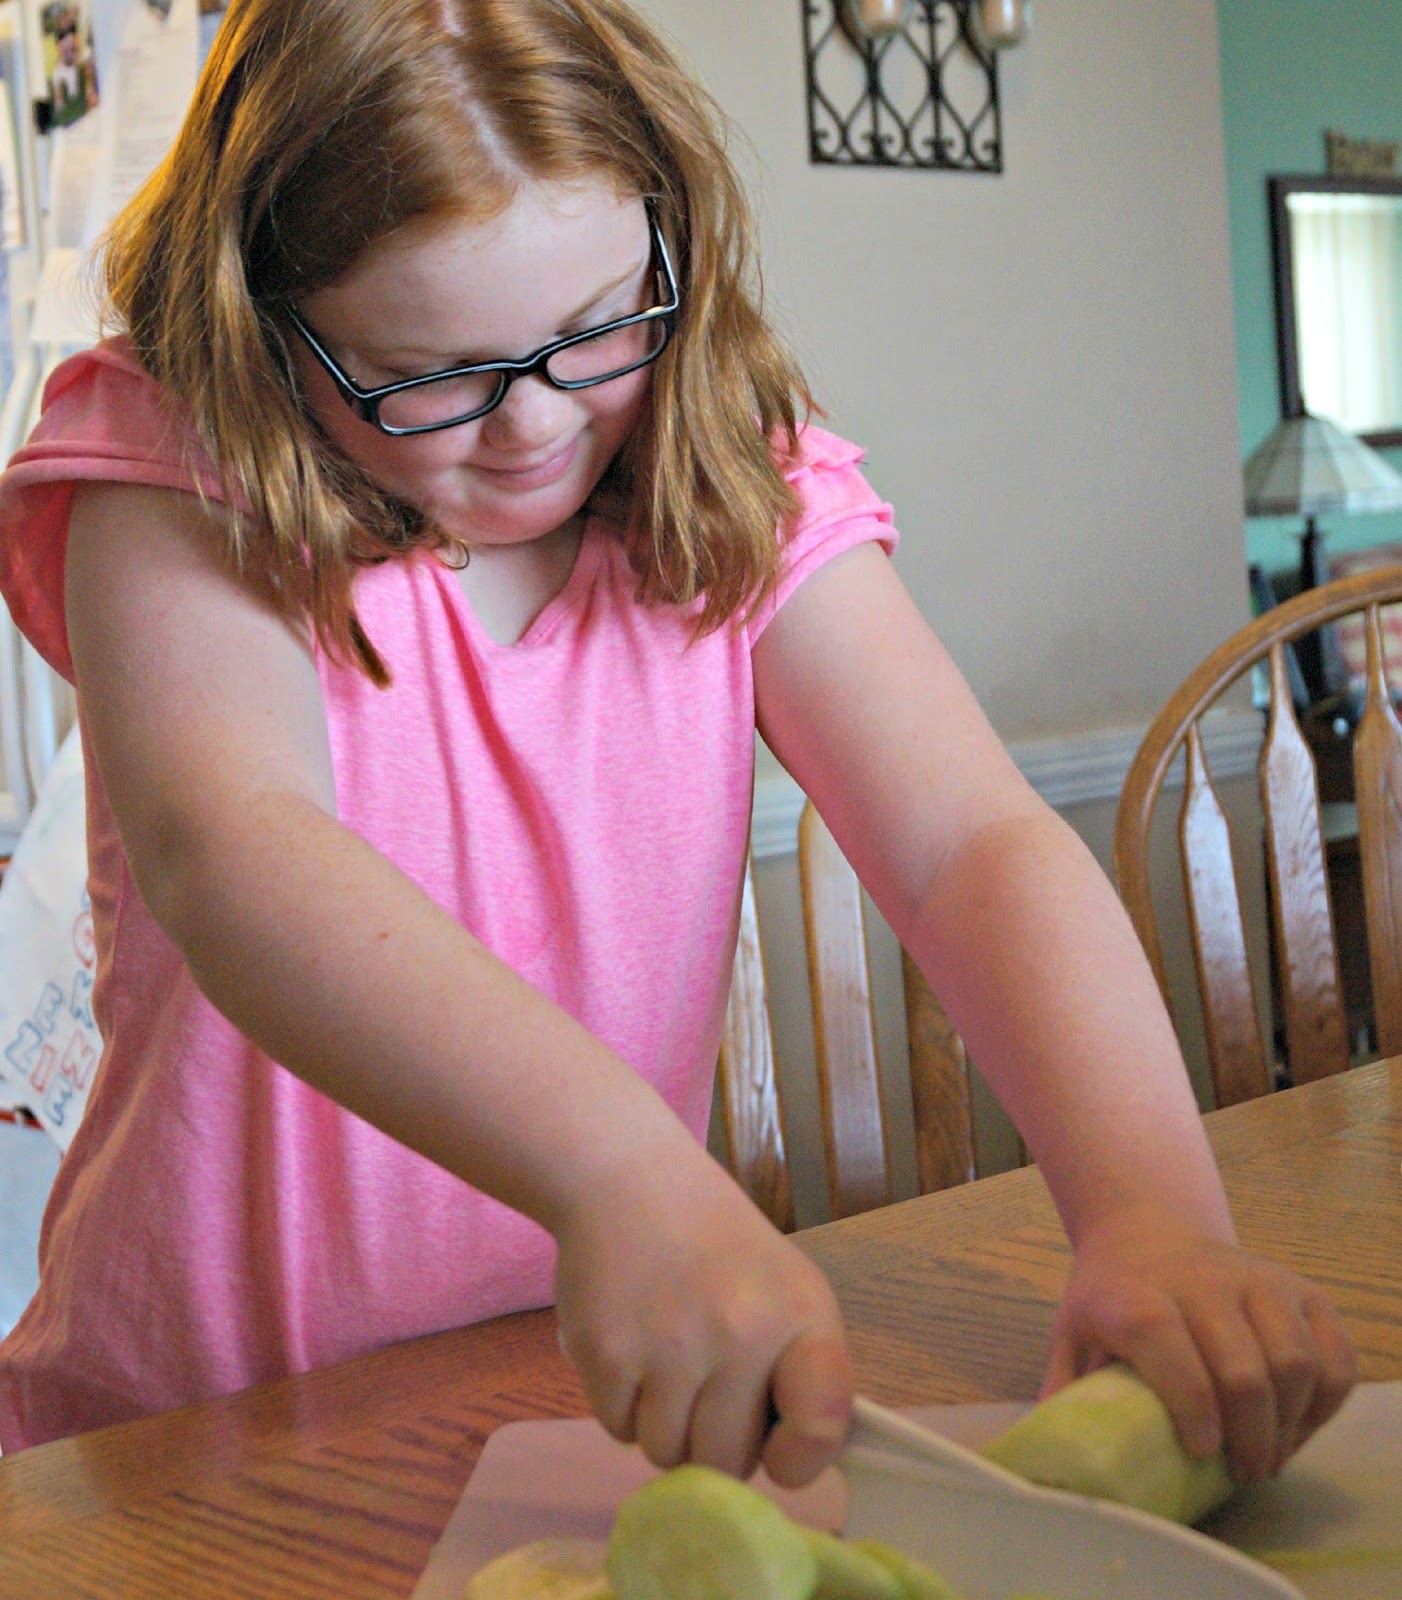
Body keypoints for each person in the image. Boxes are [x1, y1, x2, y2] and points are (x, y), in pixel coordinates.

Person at [0, 0, 1355, 1484]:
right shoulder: (175, 461)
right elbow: (236, 849)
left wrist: (1148, 1212)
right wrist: (624, 1170)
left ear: (669, 250)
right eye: (430, 374)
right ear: (265, 329)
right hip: (196, 1435)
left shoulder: (738, 479)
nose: (533, 424)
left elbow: (965, 843)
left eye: (597, 330)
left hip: (580, 1391)